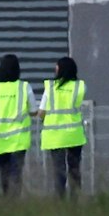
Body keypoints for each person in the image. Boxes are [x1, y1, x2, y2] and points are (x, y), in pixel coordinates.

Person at [0, 53, 32, 195]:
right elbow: (33, 111)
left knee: (4, 172)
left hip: (0, 140)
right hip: (19, 140)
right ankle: (14, 203)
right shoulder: (24, 87)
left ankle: (7, 200)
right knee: (16, 173)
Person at [35, 56, 87, 198]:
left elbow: (41, 113)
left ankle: (60, 201)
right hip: (74, 134)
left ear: (60, 69)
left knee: (59, 170)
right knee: (74, 169)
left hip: (55, 136)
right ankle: (75, 201)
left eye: (56, 66)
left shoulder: (50, 88)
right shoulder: (79, 86)